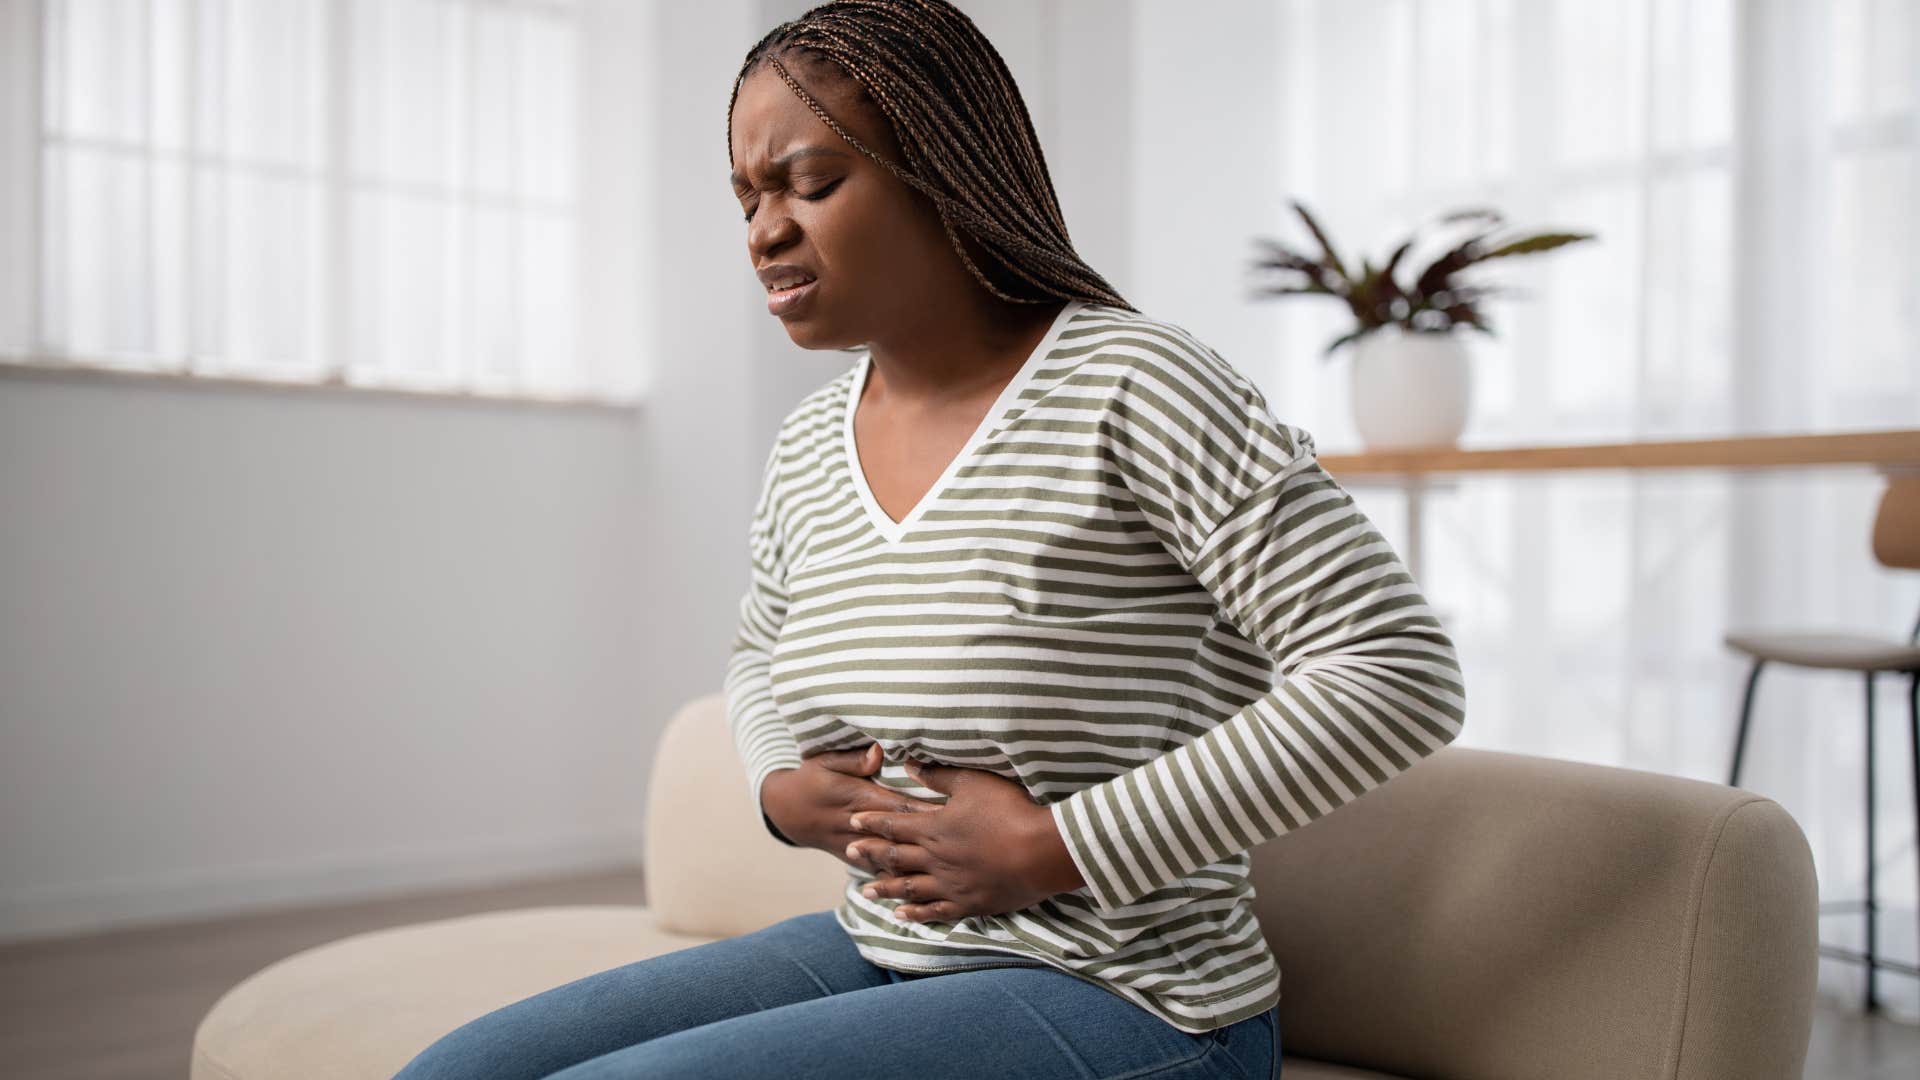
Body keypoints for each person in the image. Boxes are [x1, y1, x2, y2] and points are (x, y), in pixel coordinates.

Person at [393, 2, 1465, 1077]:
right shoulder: (815, 438)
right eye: (748, 196)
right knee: (455, 1071)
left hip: (1135, 999)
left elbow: (1395, 671)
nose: (765, 228)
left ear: (943, 175)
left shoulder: (1138, 387)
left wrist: (1053, 849)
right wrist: (776, 783)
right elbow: (759, 651)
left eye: (811, 183)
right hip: (886, 948)